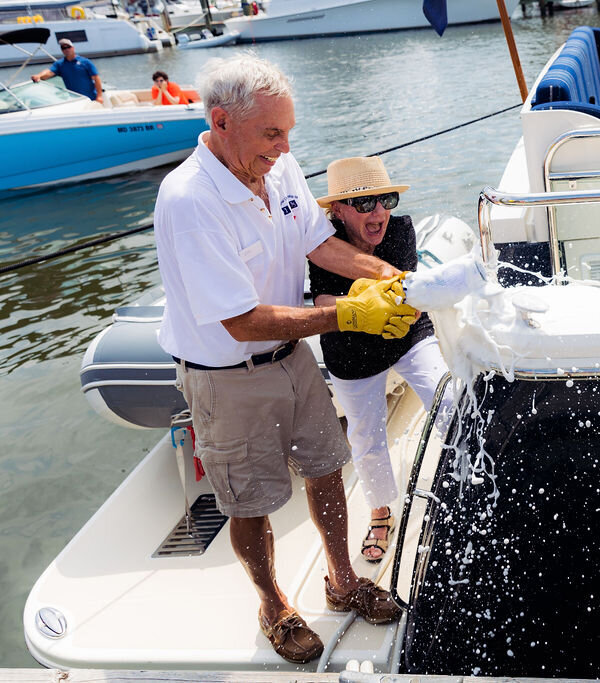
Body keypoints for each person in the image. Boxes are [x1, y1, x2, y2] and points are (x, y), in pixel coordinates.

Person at [152, 55, 418, 665]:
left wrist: (388, 277)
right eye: (272, 133)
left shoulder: (281, 167)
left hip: (291, 357)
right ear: (221, 121)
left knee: (328, 467)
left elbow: (318, 242)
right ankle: (274, 606)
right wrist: (349, 314)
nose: (285, 146)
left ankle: (343, 580)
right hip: (226, 378)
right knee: (250, 502)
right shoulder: (189, 200)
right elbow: (241, 319)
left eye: (289, 131)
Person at [309, 156, 452, 563]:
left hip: (405, 336)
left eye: (385, 199)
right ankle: (380, 512)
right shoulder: (320, 245)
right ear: (337, 211)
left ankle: (463, 480)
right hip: (350, 349)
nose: (379, 212)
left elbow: (405, 291)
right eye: (364, 202)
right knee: (366, 437)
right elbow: (320, 299)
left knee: (449, 399)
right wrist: (358, 305)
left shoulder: (401, 230)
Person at [31, 39, 103, 103]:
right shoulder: (60, 64)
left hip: (91, 98)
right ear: (62, 50)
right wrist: (39, 76)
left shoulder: (85, 62)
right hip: (76, 100)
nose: (66, 49)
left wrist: (99, 96)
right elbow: (49, 72)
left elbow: (96, 78)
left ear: (73, 48)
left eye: (68, 47)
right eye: (63, 48)